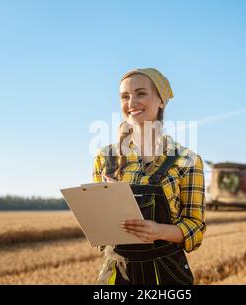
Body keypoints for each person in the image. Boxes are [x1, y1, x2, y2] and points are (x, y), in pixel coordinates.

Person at [92, 68, 206, 285]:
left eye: (141, 93)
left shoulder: (186, 159)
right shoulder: (105, 158)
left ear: (161, 101)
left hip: (166, 274)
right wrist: (109, 206)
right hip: (117, 275)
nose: (131, 102)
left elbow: (196, 228)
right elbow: (100, 235)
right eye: (125, 96)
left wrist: (159, 231)